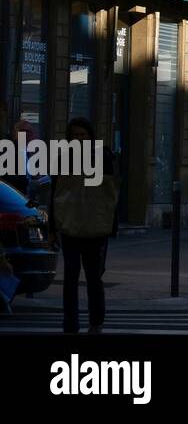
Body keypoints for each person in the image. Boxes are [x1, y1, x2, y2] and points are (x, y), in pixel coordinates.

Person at [49, 118, 119, 334]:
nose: (80, 139)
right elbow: (55, 195)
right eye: (75, 135)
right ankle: (70, 324)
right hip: (71, 226)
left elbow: (111, 195)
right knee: (70, 277)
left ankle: (96, 322)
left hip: (95, 227)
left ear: (90, 136)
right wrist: (53, 229)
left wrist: (111, 225)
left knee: (93, 277)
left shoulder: (103, 157)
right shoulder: (63, 160)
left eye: (83, 135)